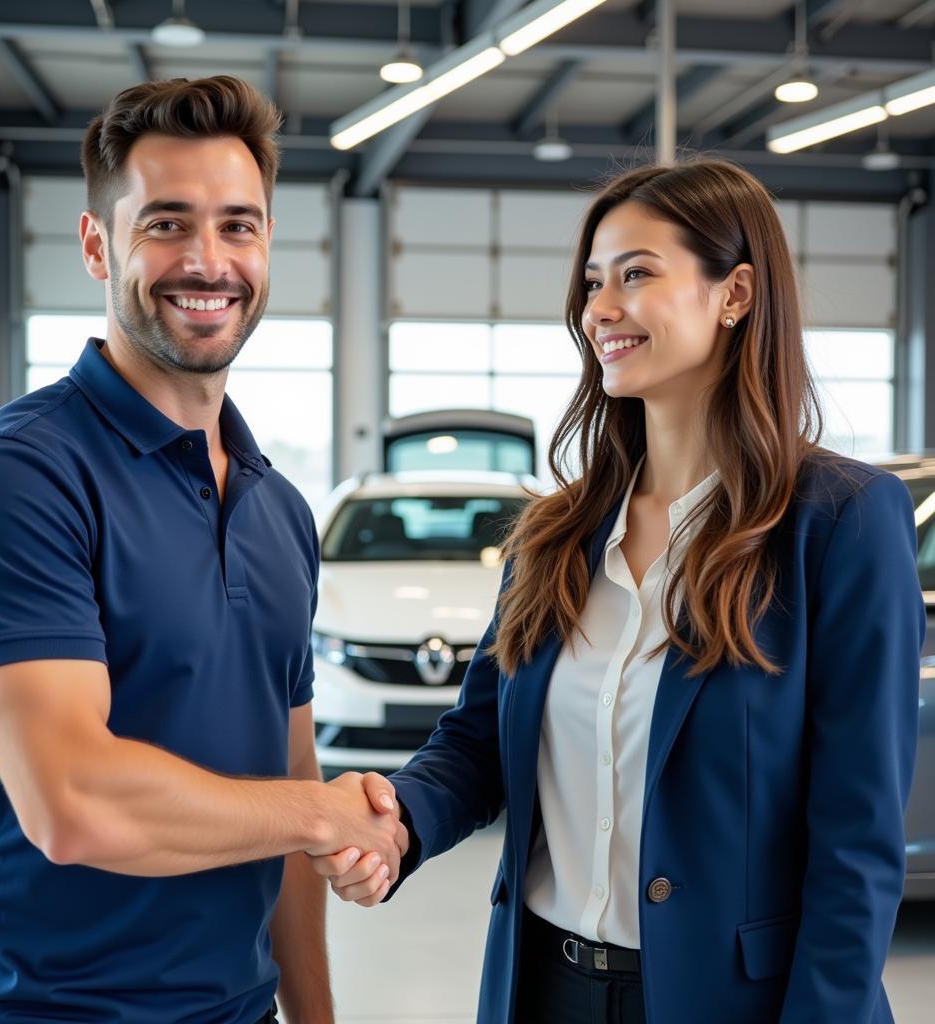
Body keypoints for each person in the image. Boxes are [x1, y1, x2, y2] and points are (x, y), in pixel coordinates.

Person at [314, 160, 924, 1024]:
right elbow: (479, 743)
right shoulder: (556, 533)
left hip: (733, 1001)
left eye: (636, 274)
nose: (599, 308)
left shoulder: (840, 524)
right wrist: (398, 820)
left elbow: (855, 845)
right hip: (543, 989)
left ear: (736, 293)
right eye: (594, 282)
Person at [0, 76, 406, 1024]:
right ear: (98, 245)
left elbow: (291, 785)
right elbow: (73, 802)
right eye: (168, 224)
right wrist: (322, 815)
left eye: (239, 225)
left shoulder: (281, 511)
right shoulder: (12, 478)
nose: (209, 261)